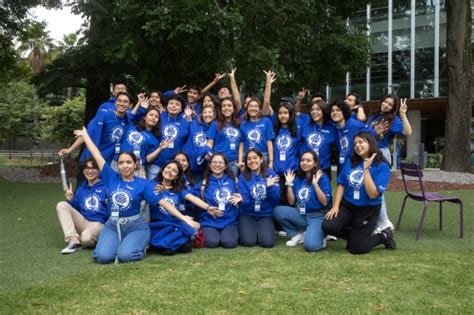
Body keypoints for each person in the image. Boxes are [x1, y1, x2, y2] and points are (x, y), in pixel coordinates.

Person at [74, 127, 155, 264]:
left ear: (134, 164)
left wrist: (183, 218)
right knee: (102, 258)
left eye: (128, 162)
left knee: (126, 256)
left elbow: (162, 202)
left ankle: (138, 244)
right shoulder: (110, 176)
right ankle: (120, 243)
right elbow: (97, 154)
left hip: (135, 225)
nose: (125, 166)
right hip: (112, 224)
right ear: (117, 165)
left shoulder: (143, 183)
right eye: (121, 163)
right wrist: (85, 136)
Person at [322, 132, 395, 254]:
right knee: (328, 226)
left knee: (356, 249)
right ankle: (357, 237)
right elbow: (341, 184)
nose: (357, 145)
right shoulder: (351, 162)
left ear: (371, 143)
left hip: (368, 209)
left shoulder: (382, 166)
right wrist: (335, 206)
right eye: (355, 143)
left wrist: (366, 169)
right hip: (349, 205)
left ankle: (384, 235)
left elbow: (372, 194)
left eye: (361, 142)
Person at [366, 95, 412, 232]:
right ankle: (374, 222)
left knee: (376, 189)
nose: (386, 105)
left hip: (380, 153)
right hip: (368, 151)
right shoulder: (373, 115)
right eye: (385, 101)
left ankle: (384, 221)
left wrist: (403, 114)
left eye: (390, 104)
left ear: (393, 108)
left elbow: (407, 132)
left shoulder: (394, 120)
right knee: (368, 188)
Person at [147, 160, 213, 255]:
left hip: (173, 223)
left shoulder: (178, 189)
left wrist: (208, 207)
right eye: (168, 168)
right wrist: (158, 192)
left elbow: (192, 198)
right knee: (177, 247)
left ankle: (162, 245)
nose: (170, 171)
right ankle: (162, 245)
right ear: (163, 169)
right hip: (158, 224)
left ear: (176, 176)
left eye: (174, 171)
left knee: (187, 246)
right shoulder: (151, 185)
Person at [273, 151, 332, 252]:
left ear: (315, 163)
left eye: (308, 160)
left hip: (318, 216)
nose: (304, 163)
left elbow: (325, 202)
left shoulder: (322, 177)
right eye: (302, 160)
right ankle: (296, 235)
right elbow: (291, 202)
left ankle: (321, 237)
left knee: (311, 246)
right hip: (302, 214)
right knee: (277, 211)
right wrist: (289, 184)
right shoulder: (299, 179)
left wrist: (315, 184)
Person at [56, 158, 108, 254]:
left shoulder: (105, 187)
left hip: (98, 224)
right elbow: (76, 209)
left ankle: (101, 238)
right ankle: (74, 241)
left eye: (93, 168)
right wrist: (71, 199)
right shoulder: (82, 188)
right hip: (83, 221)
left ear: (99, 170)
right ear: (83, 170)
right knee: (62, 205)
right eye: (87, 168)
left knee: (86, 239)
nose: (90, 171)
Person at [234, 149, 280, 248]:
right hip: (247, 213)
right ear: (246, 162)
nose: (252, 161)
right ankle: (252, 231)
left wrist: (270, 188)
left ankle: (262, 231)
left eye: (255, 158)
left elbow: (275, 200)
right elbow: (245, 200)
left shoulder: (271, 174)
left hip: (265, 213)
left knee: (268, 243)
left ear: (261, 159)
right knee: (248, 242)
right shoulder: (243, 176)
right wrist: (242, 199)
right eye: (249, 159)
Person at [196, 153, 239, 248]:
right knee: (212, 242)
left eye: (220, 162)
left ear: (225, 166)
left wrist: (241, 197)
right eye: (214, 162)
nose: (217, 165)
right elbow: (189, 196)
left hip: (229, 221)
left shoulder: (234, 181)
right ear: (210, 165)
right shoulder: (203, 183)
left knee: (229, 243)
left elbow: (245, 195)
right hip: (209, 221)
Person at [300, 99, 337, 180]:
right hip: (307, 169)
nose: (314, 112)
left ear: (323, 110)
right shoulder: (305, 126)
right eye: (312, 110)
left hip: (324, 168)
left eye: (318, 109)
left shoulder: (332, 128)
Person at [205, 96, 242, 175]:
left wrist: (240, 161)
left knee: (231, 186)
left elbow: (241, 144)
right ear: (221, 109)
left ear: (233, 108)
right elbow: (210, 142)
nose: (226, 108)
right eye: (224, 106)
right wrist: (207, 152)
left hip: (233, 162)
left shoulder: (239, 124)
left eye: (229, 105)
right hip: (218, 162)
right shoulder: (215, 124)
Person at [182, 105, 216, 179]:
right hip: (187, 163)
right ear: (201, 114)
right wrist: (187, 117)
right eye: (205, 112)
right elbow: (183, 133)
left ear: (214, 114)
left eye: (210, 112)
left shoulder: (216, 128)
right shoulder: (194, 123)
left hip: (203, 166)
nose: (207, 115)